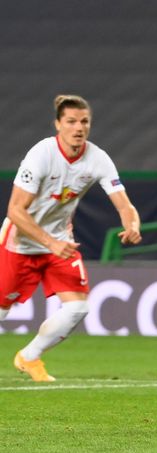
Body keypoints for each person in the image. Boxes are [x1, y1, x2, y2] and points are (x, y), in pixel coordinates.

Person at [0, 95, 142, 382]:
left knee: (78, 308)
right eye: (71, 122)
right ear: (58, 125)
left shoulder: (97, 158)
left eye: (85, 121)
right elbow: (15, 210)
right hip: (20, 243)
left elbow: (123, 204)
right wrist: (50, 243)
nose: (79, 128)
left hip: (60, 244)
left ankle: (29, 357)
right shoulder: (41, 155)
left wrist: (133, 225)